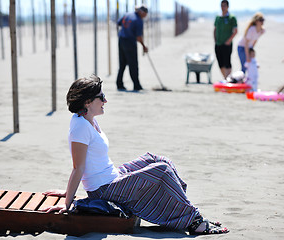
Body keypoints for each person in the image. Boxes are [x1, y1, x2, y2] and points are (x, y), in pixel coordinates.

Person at [42, 75, 229, 235]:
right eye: (102, 97)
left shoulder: (89, 120)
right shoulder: (80, 127)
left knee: (158, 160)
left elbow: (88, 164)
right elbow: (78, 167)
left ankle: (186, 210)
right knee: (161, 171)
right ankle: (195, 221)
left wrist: (68, 192)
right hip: (105, 189)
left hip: (113, 176)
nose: (105, 101)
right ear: (87, 102)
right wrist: (68, 202)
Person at [116, 5, 148, 92]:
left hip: (121, 40)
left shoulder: (126, 15)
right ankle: (136, 85)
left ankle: (119, 84)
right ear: (141, 12)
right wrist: (144, 46)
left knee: (122, 64)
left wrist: (125, 30)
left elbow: (119, 23)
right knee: (133, 65)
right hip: (130, 42)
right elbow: (138, 37)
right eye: (145, 13)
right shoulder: (138, 20)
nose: (146, 15)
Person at [214, 0, 238, 79]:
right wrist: (215, 39)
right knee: (220, 62)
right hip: (218, 43)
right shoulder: (218, 17)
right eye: (221, 5)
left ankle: (228, 78)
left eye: (224, 6)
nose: (223, 7)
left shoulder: (231, 18)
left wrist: (229, 40)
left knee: (227, 62)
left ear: (227, 7)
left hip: (227, 44)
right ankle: (226, 78)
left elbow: (235, 31)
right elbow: (215, 28)